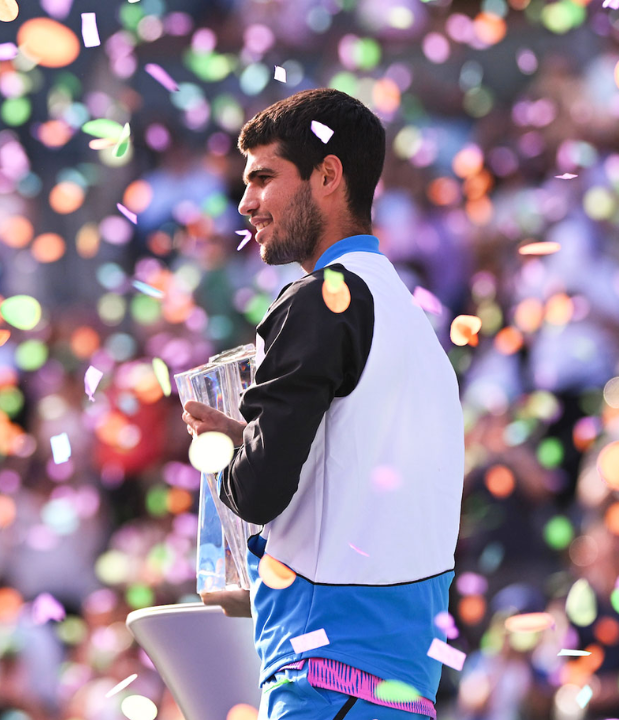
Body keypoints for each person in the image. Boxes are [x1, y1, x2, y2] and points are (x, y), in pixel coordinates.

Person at [181, 88, 464, 720]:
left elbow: (257, 494)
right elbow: (356, 481)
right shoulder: (408, 317)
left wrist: (222, 449)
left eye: (263, 178)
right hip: (398, 692)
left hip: (323, 682)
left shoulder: (318, 300)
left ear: (328, 175)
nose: (245, 203)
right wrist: (248, 434)